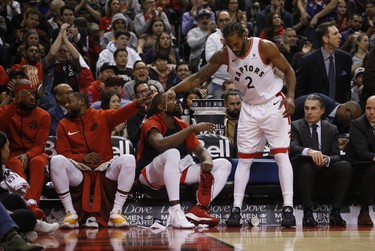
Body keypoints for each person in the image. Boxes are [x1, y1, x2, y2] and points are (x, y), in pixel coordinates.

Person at [171, 21, 297, 227]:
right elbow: (198, 78)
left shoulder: (264, 46)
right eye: (229, 44)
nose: (234, 48)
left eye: (237, 43)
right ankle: (236, 209)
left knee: (281, 155)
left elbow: (289, 71)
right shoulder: (224, 55)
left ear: (244, 35)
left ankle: (288, 208)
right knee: (244, 160)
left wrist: (291, 97)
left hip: (274, 103)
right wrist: (173, 90)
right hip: (249, 107)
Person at [50, 91, 152, 228]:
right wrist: (82, 157)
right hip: (79, 172)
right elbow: (63, 152)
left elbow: (122, 113)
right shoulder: (63, 124)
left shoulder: (101, 115)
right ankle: (70, 213)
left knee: (128, 159)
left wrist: (137, 104)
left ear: (81, 102)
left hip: (104, 170)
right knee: (56, 160)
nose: (66, 105)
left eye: (70, 101)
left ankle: (116, 212)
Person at [136, 90, 232, 228]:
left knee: (224, 164)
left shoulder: (181, 124)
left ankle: (199, 209)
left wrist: (207, 160)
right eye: (170, 99)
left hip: (176, 172)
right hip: (150, 175)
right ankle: (176, 211)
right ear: (161, 107)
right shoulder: (151, 123)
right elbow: (161, 145)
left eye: (175, 98)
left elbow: (201, 151)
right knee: (172, 153)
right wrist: (192, 128)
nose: (176, 101)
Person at [290, 94, 352, 227]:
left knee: (345, 166)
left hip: (324, 169)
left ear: (322, 111)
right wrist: (309, 152)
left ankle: (335, 212)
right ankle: (308, 213)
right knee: (306, 166)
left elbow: (336, 155)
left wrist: (327, 159)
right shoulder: (295, 125)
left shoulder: (331, 128)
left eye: (313, 108)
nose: (309, 112)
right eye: (306, 108)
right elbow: (292, 146)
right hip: (303, 170)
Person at [0, 79, 51, 220]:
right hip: (13, 152)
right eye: (26, 94)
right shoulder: (5, 110)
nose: (32, 97)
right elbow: (1, 127)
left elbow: (40, 145)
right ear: (16, 95)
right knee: (15, 163)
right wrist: (14, 104)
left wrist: (27, 155)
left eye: (33, 93)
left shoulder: (43, 115)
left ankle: (34, 204)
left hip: (34, 152)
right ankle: (31, 205)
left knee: (39, 162)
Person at [296, 21, 353, 103]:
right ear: (325, 39)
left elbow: (347, 88)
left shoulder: (345, 58)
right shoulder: (307, 61)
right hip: (315, 112)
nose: (340, 36)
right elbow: (299, 91)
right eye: (335, 33)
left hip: (339, 110)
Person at [345, 95, 375, 226]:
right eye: (368, 108)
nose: (371, 112)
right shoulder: (357, 124)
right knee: (372, 169)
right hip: (358, 166)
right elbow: (362, 153)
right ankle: (364, 212)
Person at [292, 93, 362, 134]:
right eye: (351, 118)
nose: (350, 123)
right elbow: (293, 107)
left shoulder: (340, 123)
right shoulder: (320, 100)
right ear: (346, 111)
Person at [205, 10, 231, 99]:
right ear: (217, 23)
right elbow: (209, 58)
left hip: (238, 82)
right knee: (219, 112)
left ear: (231, 21)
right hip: (218, 82)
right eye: (221, 20)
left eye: (227, 20)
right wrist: (223, 48)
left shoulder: (239, 37)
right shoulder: (212, 38)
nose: (224, 23)